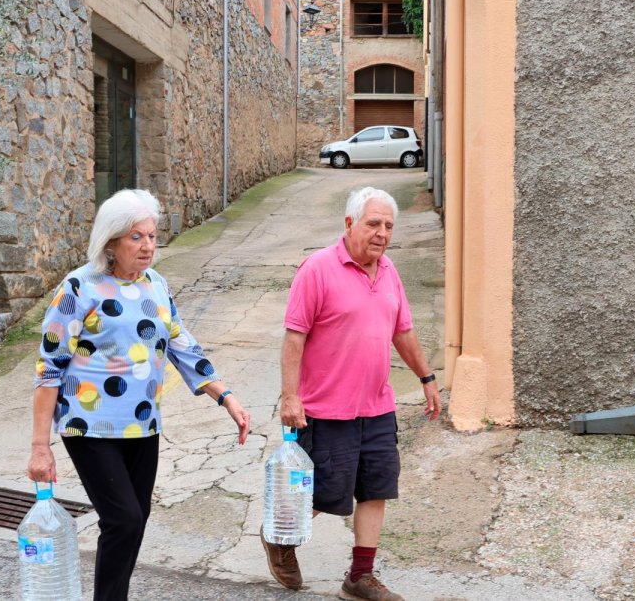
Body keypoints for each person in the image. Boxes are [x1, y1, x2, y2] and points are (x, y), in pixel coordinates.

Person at [27, 188, 251, 601]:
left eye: (151, 235)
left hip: (143, 423)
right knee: (124, 519)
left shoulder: (156, 285)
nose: (148, 245)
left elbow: (182, 344)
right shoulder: (80, 287)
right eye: (137, 237)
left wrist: (225, 396)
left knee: (135, 520)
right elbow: (48, 368)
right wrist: (41, 446)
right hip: (88, 424)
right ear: (111, 242)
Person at [265, 186, 441, 601]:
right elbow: (295, 337)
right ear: (349, 224)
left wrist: (427, 377)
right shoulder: (318, 269)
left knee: (377, 487)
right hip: (326, 409)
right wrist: (290, 396)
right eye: (373, 223)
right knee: (326, 493)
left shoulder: (390, 271)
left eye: (388, 226)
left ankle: (359, 576)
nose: (382, 233)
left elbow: (403, 331)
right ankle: (279, 537)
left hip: (377, 406)